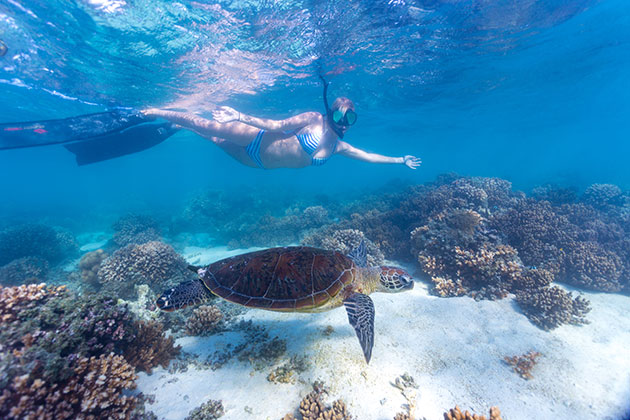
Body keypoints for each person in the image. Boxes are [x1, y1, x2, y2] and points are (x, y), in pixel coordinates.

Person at [141, 82, 421, 170]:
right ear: (330, 114)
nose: (343, 124)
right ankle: (156, 112)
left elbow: (369, 156)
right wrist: (240, 116)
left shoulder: (338, 146)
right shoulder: (313, 118)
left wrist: (400, 160)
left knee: (211, 139)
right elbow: (275, 124)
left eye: (349, 119)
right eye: (339, 117)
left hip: (256, 163)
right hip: (257, 137)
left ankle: (182, 126)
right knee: (210, 126)